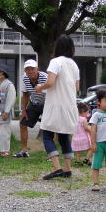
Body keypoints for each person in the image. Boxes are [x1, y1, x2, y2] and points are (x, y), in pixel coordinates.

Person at [35, 34, 80, 180]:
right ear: (71, 48)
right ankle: (68, 169)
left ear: (57, 47)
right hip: (70, 106)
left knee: (47, 136)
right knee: (64, 136)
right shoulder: (74, 65)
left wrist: (40, 87)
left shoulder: (55, 62)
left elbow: (50, 82)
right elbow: (77, 87)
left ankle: (57, 168)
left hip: (55, 105)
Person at [14, 59, 48, 158]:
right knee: (23, 123)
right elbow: (25, 94)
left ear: (37, 69)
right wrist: (23, 110)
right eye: (27, 69)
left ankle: (50, 151)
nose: (30, 71)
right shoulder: (24, 78)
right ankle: (24, 150)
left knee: (48, 127)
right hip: (34, 103)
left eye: (32, 69)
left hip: (47, 103)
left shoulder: (45, 77)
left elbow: (52, 93)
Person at [0, 63, 16, 156]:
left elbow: (11, 99)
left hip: (5, 111)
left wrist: (6, 111)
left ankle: (5, 150)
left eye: (1, 71)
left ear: (5, 73)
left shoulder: (9, 85)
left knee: (4, 131)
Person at [71, 102, 92, 166]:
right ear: (83, 112)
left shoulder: (74, 118)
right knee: (91, 148)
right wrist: (91, 130)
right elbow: (86, 128)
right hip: (83, 138)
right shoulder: (84, 119)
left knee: (78, 151)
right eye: (87, 113)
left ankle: (77, 162)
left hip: (75, 138)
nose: (87, 114)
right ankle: (86, 159)